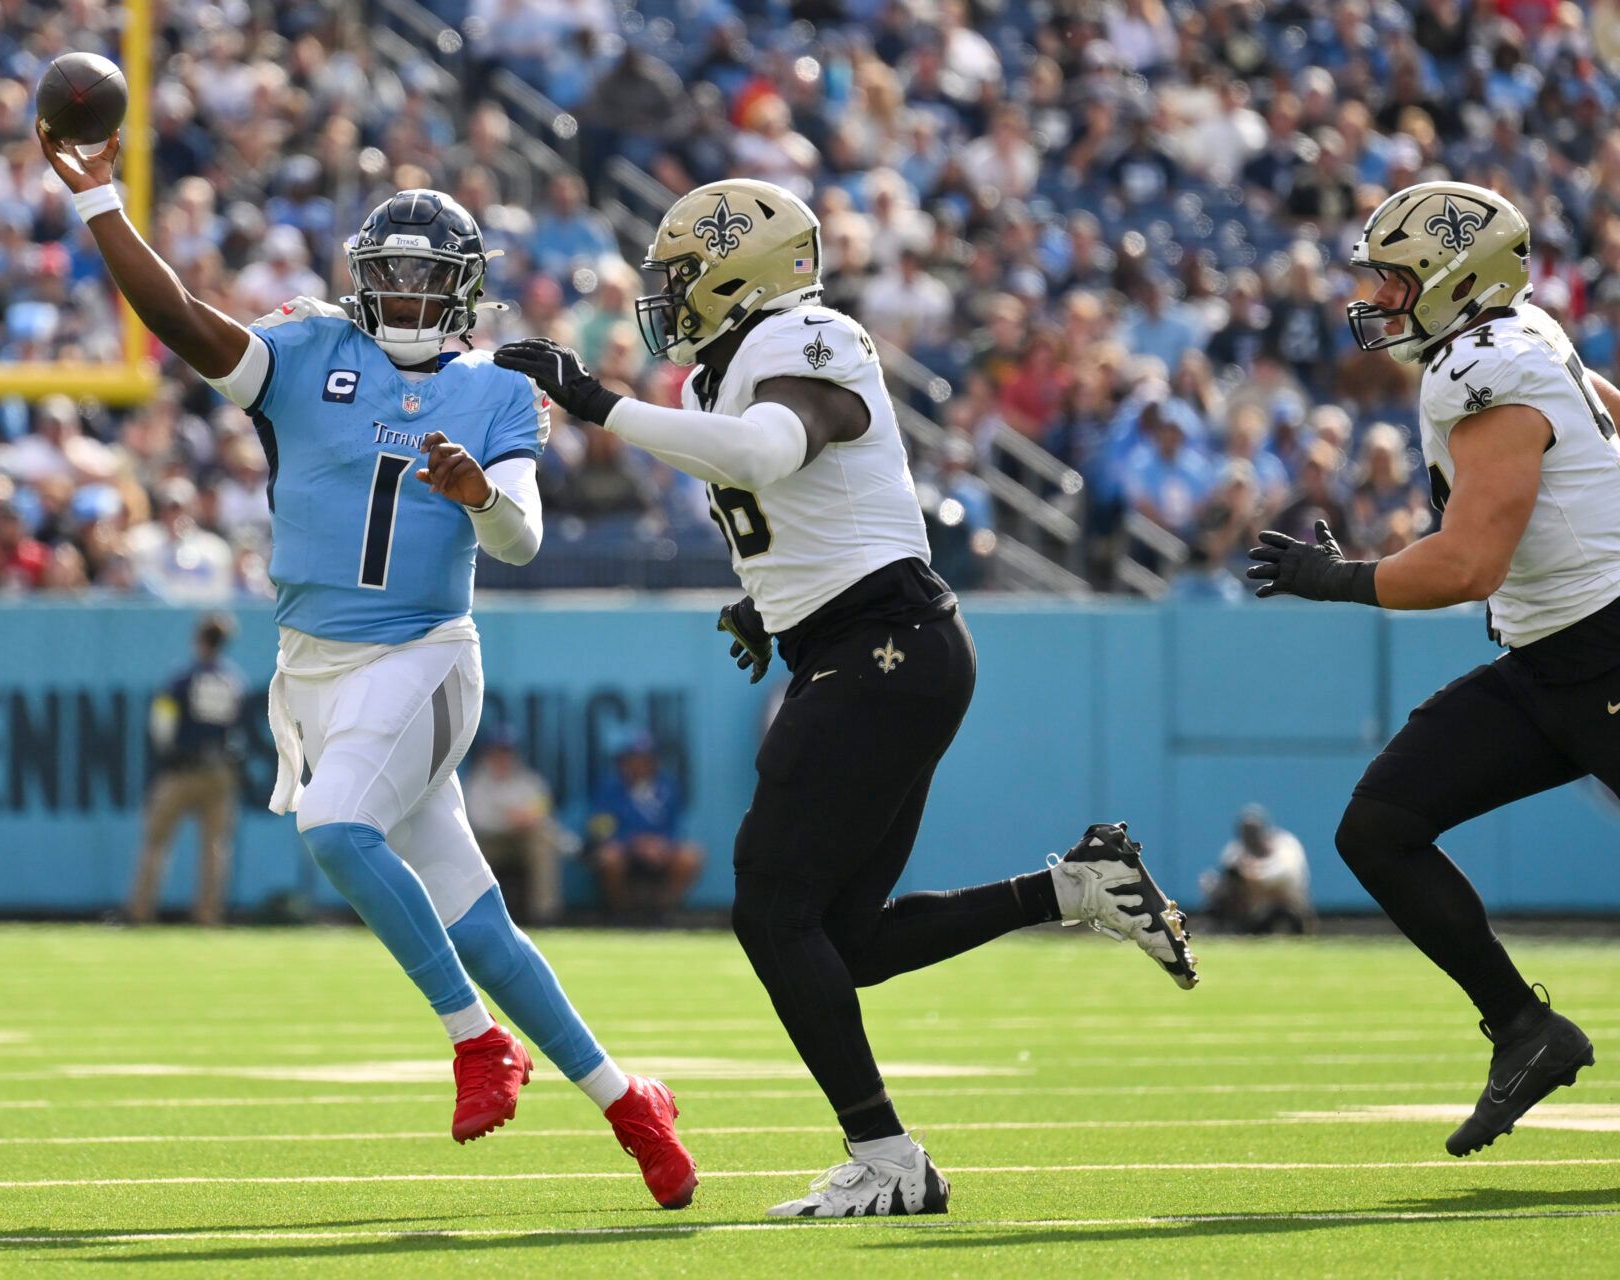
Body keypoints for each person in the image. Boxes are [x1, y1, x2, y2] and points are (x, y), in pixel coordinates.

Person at [495, 178, 1198, 1219]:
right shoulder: (716, 376)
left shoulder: (812, 337)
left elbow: (772, 451)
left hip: (886, 643)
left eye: (684, 275)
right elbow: (797, 507)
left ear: (746, 269)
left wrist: (598, 401)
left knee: (770, 907)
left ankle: (887, 1154)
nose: (669, 296)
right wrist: (761, 599)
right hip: (862, 644)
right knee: (842, 936)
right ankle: (1076, 885)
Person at [41, 129, 695, 1208]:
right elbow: (176, 321)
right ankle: (631, 1103)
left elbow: (524, 536)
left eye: (424, 277)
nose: (400, 292)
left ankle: (477, 1041)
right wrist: (102, 201)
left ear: (463, 291)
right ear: (359, 276)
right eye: (385, 272)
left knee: (335, 830)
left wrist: (479, 492)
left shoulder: (490, 388)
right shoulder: (302, 354)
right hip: (313, 667)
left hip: (425, 653)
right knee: (481, 922)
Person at [1249, 180, 1607, 1159]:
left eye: (1400, 280)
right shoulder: (1521, 336)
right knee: (1383, 824)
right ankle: (1525, 1028)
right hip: (1552, 656)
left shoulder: (1485, 366)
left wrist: (1335, 575)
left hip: (1603, 647)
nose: (1385, 299)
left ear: (1457, 278)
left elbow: (1467, 564)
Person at [128, 612, 247, 926]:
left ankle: (142, 911)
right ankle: (208, 913)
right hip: (220, 771)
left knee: (156, 841)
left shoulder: (183, 677)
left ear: (198, 639)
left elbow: (161, 724)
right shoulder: (232, 680)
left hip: (182, 770)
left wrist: (165, 755)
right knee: (215, 848)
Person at [586, 734, 703, 923]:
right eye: (634, 760)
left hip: (659, 849)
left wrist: (661, 844)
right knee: (609, 857)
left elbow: (677, 826)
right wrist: (633, 842)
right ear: (624, 762)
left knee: (691, 856)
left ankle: (662, 912)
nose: (640, 765)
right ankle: (622, 912)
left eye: (646, 760)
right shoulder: (609, 788)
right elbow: (600, 829)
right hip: (625, 849)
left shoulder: (667, 787)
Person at [462, 728, 571, 924]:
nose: (503, 757)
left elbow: (542, 811)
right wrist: (510, 820)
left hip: (523, 840)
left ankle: (545, 916)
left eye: (507, 751)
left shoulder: (529, 780)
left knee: (541, 842)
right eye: (498, 751)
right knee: (470, 853)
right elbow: (479, 822)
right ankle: (473, 917)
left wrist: (523, 819)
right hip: (488, 843)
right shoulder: (477, 781)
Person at [1199, 805, 1313, 934]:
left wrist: (1250, 873)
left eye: (1253, 832)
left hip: (1286, 909)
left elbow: (1286, 875)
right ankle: (1217, 933)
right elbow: (1226, 875)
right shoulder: (1236, 850)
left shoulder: (1285, 844)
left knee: (1285, 912)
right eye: (1246, 833)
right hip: (1251, 912)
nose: (1250, 837)